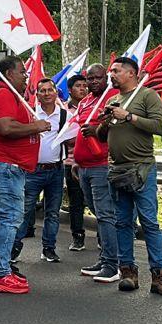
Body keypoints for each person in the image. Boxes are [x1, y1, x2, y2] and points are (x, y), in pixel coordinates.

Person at [94, 56, 162, 296]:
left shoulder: (147, 95)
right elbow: (101, 136)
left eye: (116, 71)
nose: (111, 74)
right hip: (117, 169)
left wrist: (128, 116)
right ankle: (127, 272)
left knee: (149, 222)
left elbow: (159, 127)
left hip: (142, 169)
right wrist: (105, 122)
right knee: (122, 222)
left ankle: (159, 276)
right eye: (111, 71)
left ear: (131, 73)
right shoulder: (113, 100)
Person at [0, 57, 49, 293]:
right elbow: (5, 127)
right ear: (9, 74)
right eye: (22, 72)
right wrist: (36, 127)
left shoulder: (10, 95)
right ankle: (1, 273)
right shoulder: (3, 94)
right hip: (4, 165)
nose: (26, 77)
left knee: (0, 217)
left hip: (7, 165)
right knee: (10, 217)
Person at [15, 78, 68, 263]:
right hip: (33, 170)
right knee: (25, 210)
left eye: (49, 90)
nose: (46, 94)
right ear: (37, 94)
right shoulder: (30, 113)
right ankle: (14, 248)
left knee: (52, 212)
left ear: (56, 92)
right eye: (42, 91)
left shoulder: (64, 115)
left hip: (56, 170)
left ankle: (49, 249)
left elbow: (71, 138)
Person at [73, 73, 119, 281]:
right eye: (89, 78)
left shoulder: (113, 97)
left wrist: (98, 129)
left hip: (101, 165)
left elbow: (117, 127)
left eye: (98, 77)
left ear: (106, 78)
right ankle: (105, 258)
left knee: (106, 215)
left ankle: (113, 264)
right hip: (84, 167)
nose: (93, 81)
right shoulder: (85, 101)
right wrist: (76, 161)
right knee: (99, 213)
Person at [62, 75, 91, 251]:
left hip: (93, 161)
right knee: (76, 201)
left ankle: (103, 239)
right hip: (71, 161)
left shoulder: (92, 106)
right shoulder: (64, 110)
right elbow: (64, 137)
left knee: (97, 201)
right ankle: (77, 236)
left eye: (84, 85)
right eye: (78, 85)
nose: (82, 89)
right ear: (70, 89)